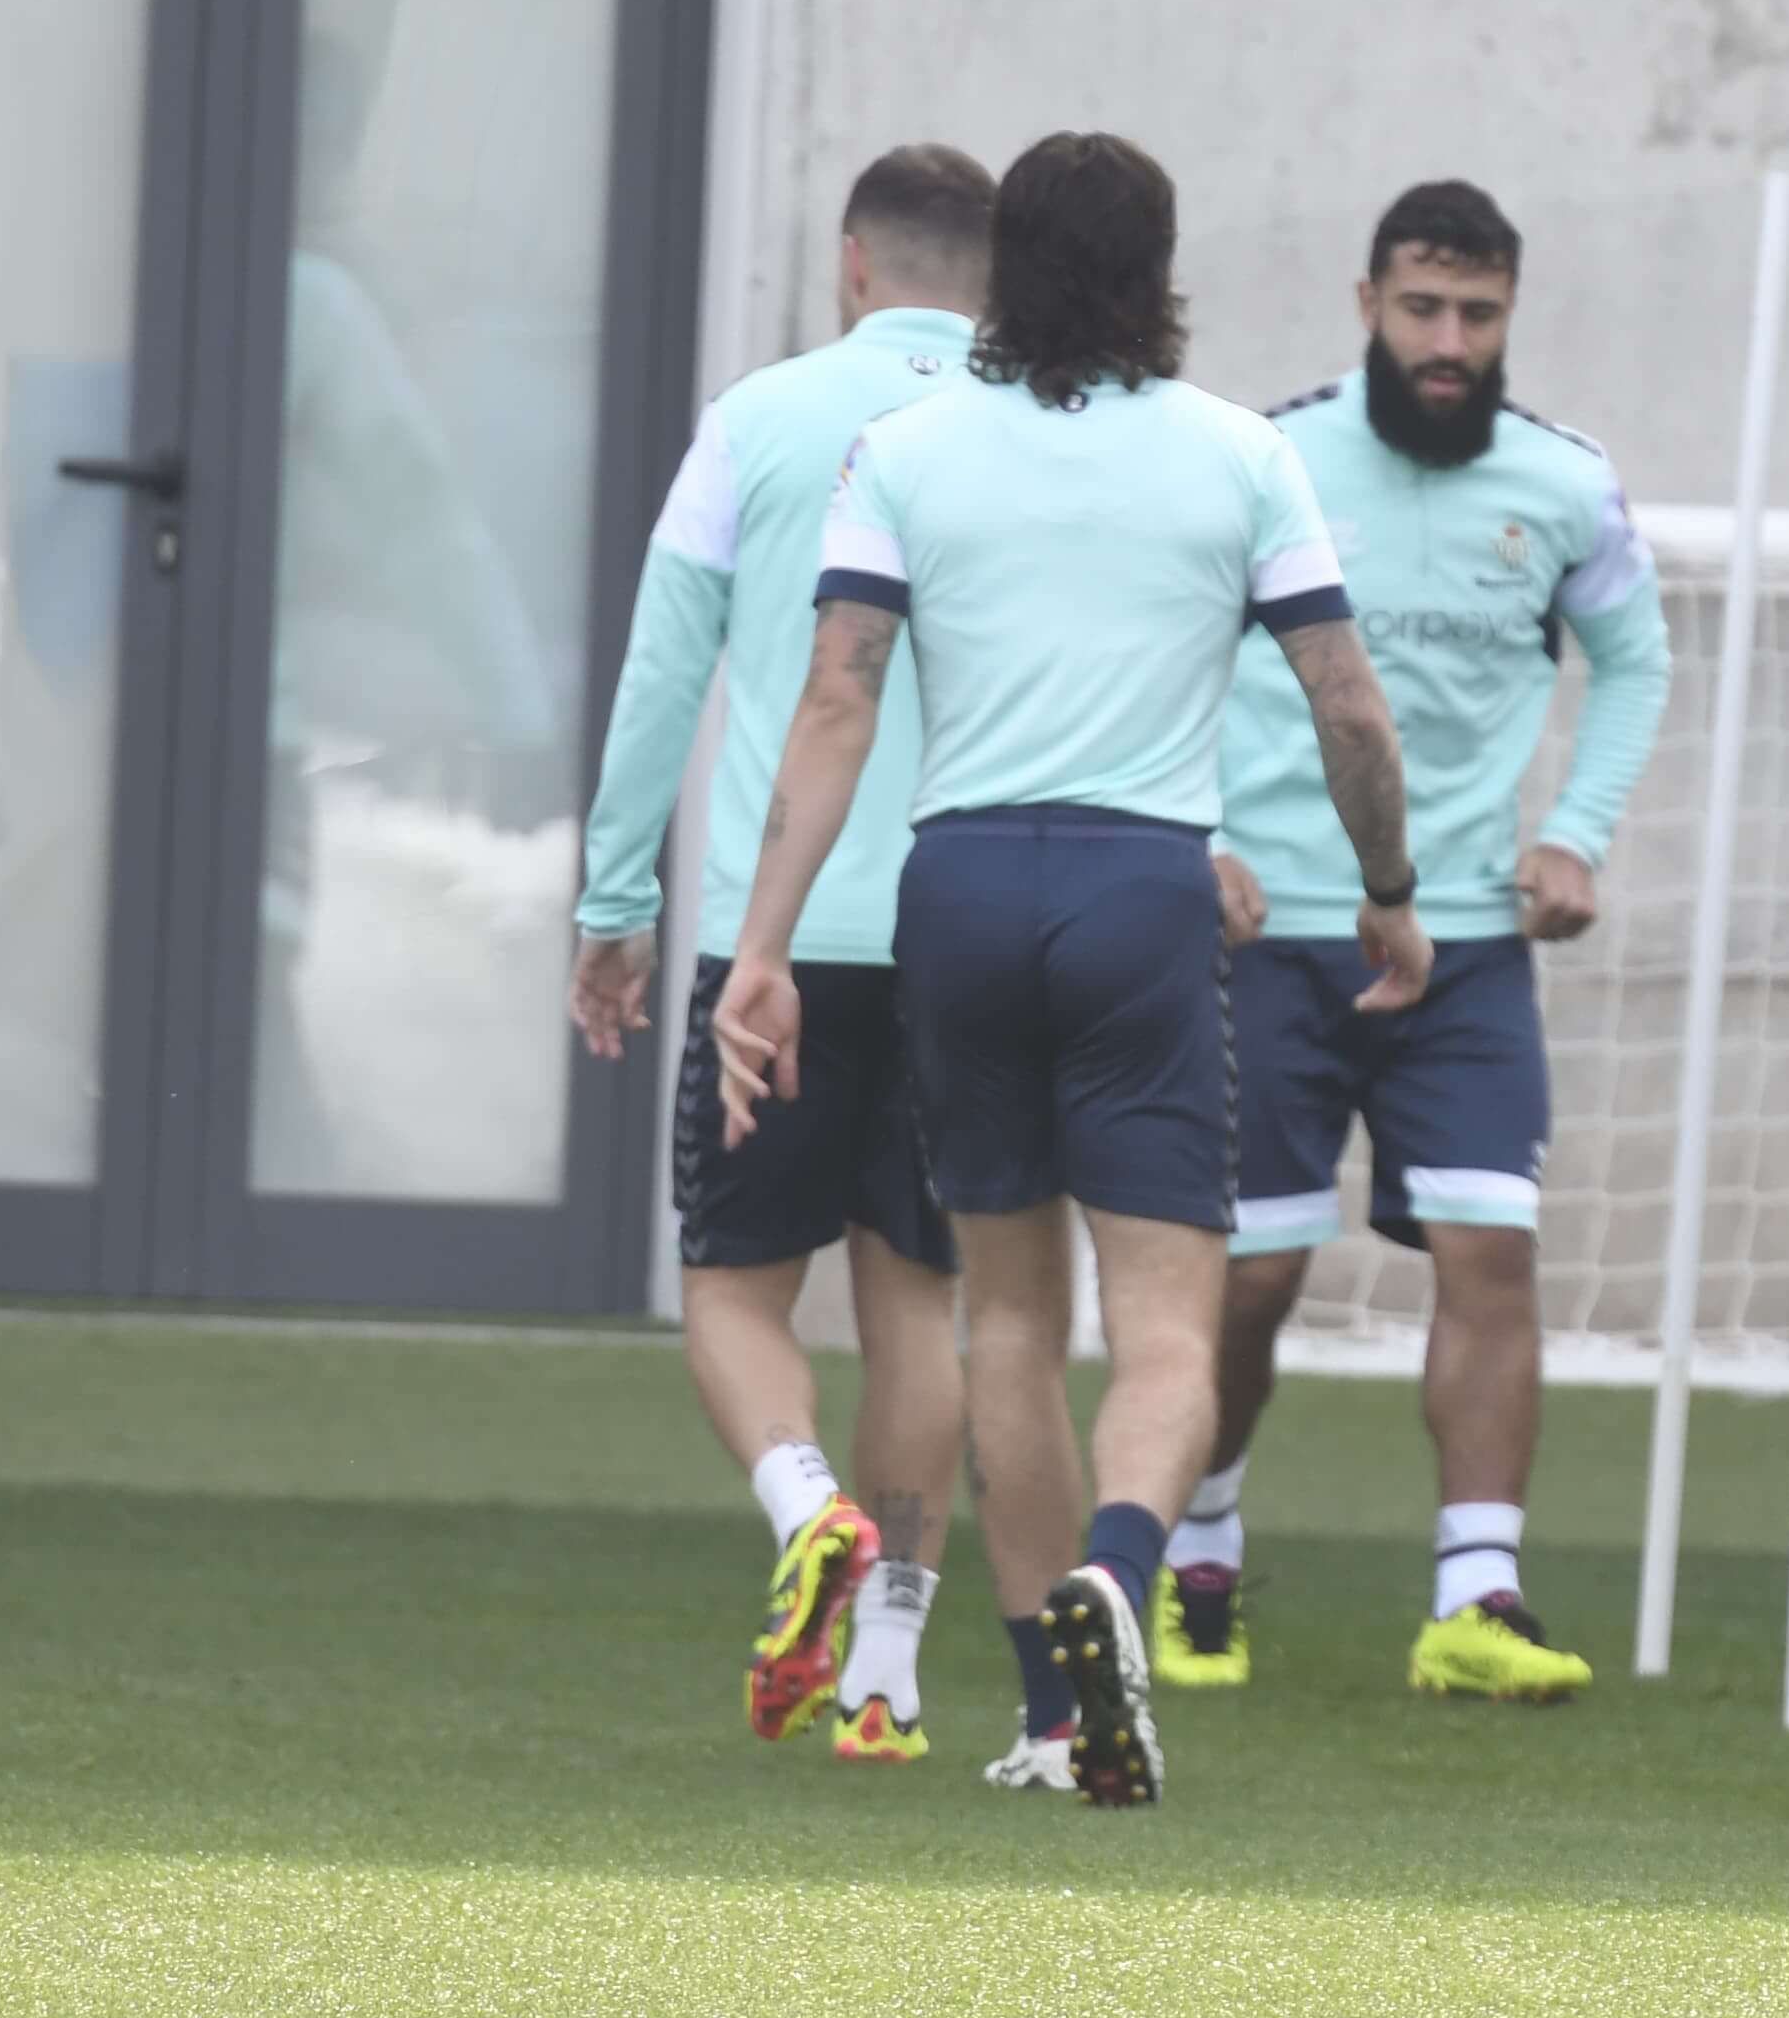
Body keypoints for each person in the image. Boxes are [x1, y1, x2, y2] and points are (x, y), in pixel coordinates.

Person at [713, 134, 1431, 1808]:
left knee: (1012, 1320)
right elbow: (1347, 704)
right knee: (1167, 1323)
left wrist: (762, 946)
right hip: (1141, 892)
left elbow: (838, 703)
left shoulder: (905, 447)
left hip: (955, 887)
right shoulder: (1242, 455)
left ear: (1003, 268)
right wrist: (1390, 890)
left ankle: (1050, 1708)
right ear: (1160, 269)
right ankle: (1122, 1569)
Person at [1179, 180, 1668, 1704]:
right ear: (1365, 302)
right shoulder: (1266, 460)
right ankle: (1200, 1550)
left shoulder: (1567, 484)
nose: (1449, 343)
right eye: (1422, 310)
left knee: (1489, 1248)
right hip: (1270, 941)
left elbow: (1637, 661)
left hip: (1463, 945)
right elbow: (1162, 648)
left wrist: (1575, 828)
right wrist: (1195, 837)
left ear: (1511, 315)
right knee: (1251, 1279)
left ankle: (1478, 1596)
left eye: (1479, 314)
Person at [572, 146, 995, 1763]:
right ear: (989, 280)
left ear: (851, 264)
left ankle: (810, 1512)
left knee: (736, 1294)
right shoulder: (1023, 432)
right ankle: (887, 1677)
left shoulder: (754, 421)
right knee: (920, 1307)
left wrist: (615, 901)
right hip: (961, 938)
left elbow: (661, 672)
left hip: (783, 937)